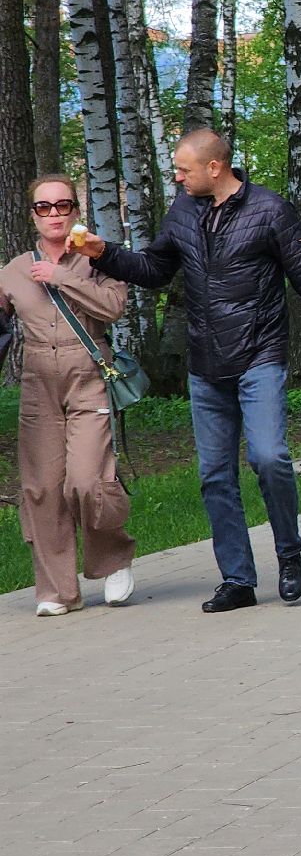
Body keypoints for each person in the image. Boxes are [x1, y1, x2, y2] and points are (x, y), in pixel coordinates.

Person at [79, 130, 301, 613]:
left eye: (183, 169)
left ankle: (289, 555)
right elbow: (156, 270)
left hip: (259, 356)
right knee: (215, 475)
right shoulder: (182, 211)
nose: (176, 176)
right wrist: (104, 254)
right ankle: (238, 579)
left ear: (215, 167)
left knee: (269, 457)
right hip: (205, 364)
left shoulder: (270, 211)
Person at [1, 174, 135, 615]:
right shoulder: (14, 271)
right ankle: (57, 591)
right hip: (38, 385)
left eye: (63, 205)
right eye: (44, 207)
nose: (54, 214)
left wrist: (62, 277)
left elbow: (113, 308)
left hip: (88, 377)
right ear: (33, 216)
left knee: (88, 481)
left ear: (76, 210)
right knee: (42, 489)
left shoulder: (98, 259)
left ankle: (113, 559)